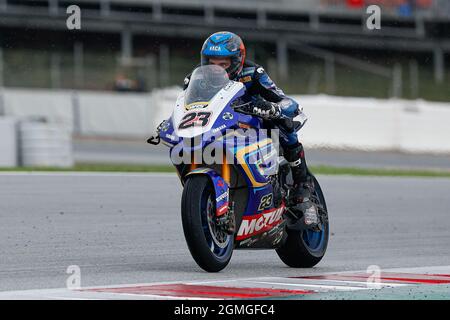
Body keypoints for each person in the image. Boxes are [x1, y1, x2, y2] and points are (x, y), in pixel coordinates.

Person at [184, 31, 316, 214]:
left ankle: (303, 184)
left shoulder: (253, 72)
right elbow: (186, 105)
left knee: (284, 126)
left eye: (223, 64)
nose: (217, 69)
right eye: (212, 63)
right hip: (219, 125)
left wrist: (273, 108)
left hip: (253, 122)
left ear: (237, 61)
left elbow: (285, 100)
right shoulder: (196, 78)